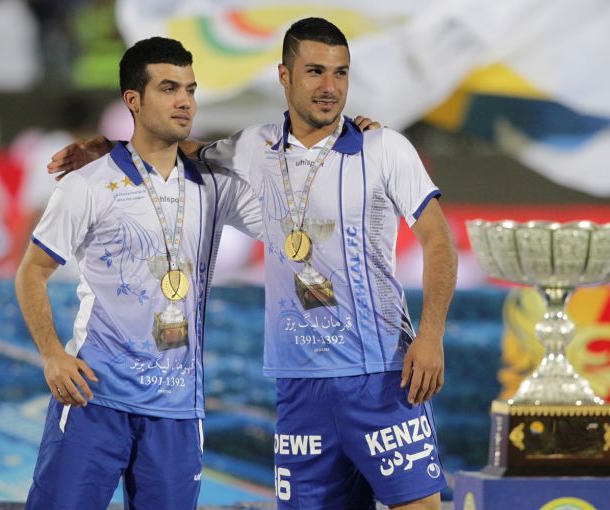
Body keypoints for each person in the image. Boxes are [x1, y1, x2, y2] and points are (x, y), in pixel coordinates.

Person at [49, 18, 457, 510]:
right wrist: (110, 149)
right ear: (284, 76)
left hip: (381, 375)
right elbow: (180, 150)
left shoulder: (384, 147)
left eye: (341, 73)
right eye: (315, 71)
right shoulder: (253, 146)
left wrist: (431, 336)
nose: (330, 87)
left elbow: (439, 242)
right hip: (298, 385)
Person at [15, 37, 261, 510]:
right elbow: (32, 273)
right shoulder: (88, 184)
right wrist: (51, 355)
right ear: (133, 99)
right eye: (169, 88)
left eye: (190, 89)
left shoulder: (215, 186)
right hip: (94, 399)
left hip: (177, 409)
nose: (185, 100)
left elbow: (286, 196)